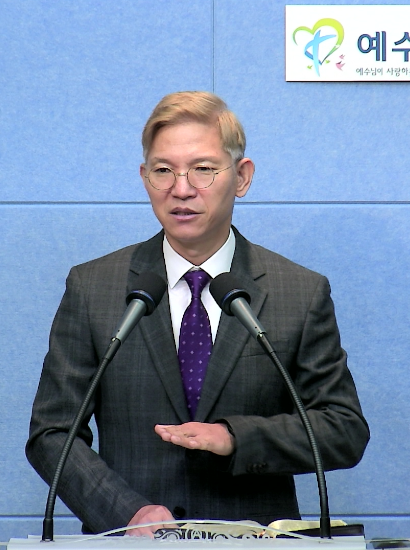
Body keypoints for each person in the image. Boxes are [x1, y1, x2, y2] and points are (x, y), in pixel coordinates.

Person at [26, 91, 369, 537]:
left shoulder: (299, 292)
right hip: (131, 544)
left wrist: (235, 437)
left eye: (203, 169)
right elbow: (53, 433)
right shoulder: (94, 288)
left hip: (255, 542)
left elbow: (343, 429)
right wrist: (124, 512)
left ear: (241, 177)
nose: (181, 189)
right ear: (144, 177)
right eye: (163, 170)